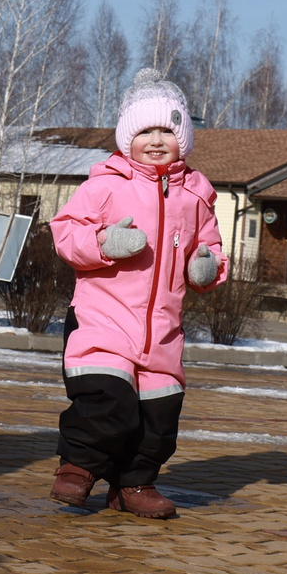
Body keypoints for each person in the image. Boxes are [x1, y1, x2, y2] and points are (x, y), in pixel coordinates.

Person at [47, 69, 226, 519]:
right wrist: (103, 242)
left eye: (167, 130)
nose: (156, 140)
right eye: (145, 131)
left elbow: (211, 249)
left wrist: (205, 268)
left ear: (183, 137)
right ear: (128, 137)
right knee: (106, 400)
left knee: (159, 416)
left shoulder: (196, 198)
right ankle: (78, 467)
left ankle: (134, 484)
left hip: (162, 330)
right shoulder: (105, 185)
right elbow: (66, 233)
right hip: (103, 319)